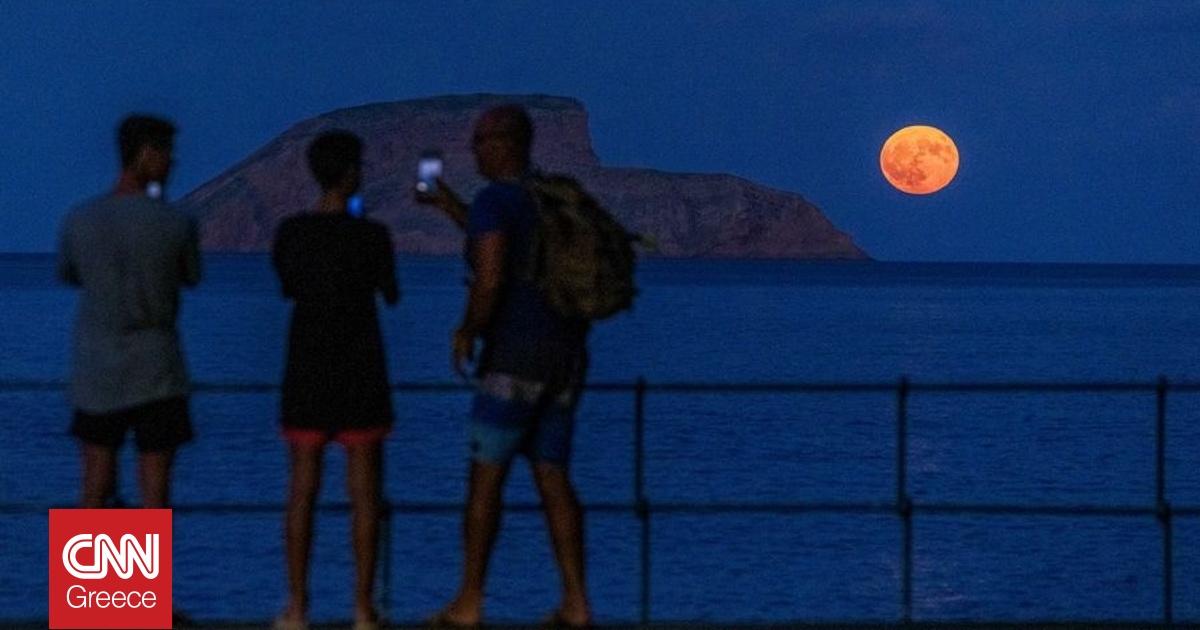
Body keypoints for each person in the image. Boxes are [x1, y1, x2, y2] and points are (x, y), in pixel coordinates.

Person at [419, 105, 593, 628]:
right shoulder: (545, 197)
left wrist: (467, 329)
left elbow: (491, 273)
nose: (473, 150)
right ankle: (577, 604)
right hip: (563, 357)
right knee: (554, 480)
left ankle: (469, 603)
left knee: (485, 483)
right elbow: (503, 248)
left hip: (513, 358)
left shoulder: (496, 200)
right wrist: (451, 206)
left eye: (479, 140)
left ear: (503, 143)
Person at [271, 130, 399, 630]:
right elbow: (391, 292)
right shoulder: (372, 236)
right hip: (360, 367)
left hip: (306, 365)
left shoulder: (292, 233)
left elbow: (288, 286)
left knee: (302, 490)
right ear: (350, 173)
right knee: (364, 494)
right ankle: (363, 609)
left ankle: (297, 607)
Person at [58, 114, 201, 511]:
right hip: (158, 370)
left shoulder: (80, 219)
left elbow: (70, 274)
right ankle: (145, 556)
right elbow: (191, 276)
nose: (172, 163)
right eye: (167, 153)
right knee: (155, 490)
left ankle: (94, 556)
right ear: (146, 154)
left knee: (94, 484)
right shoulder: (177, 222)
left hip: (97, 367)